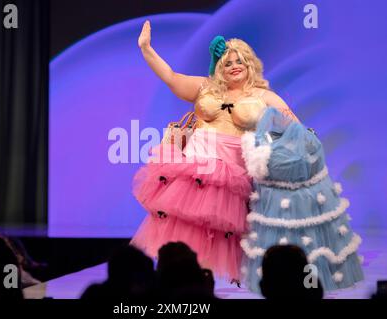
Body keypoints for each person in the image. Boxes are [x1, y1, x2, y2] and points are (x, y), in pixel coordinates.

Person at [130, 21, 298, 284]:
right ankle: (181, 283)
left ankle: (198, 286)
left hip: (231, 174)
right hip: (196, 167)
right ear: (220, 66)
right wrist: (146, 49)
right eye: (228, 62)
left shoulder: (262, 96)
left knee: (220, 235)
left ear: (250, 64)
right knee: (184, 231)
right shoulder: (206, 87)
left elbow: (293, 125)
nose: (234, 65)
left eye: (240, 60)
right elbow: (171, 77)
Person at [240, 107, 364, 291]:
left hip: (289, 200)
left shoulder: (294, 144)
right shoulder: (282, 145)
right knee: (311, 248)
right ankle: (305, 284)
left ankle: (295, 283)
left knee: (307, 249)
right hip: (303, 199)